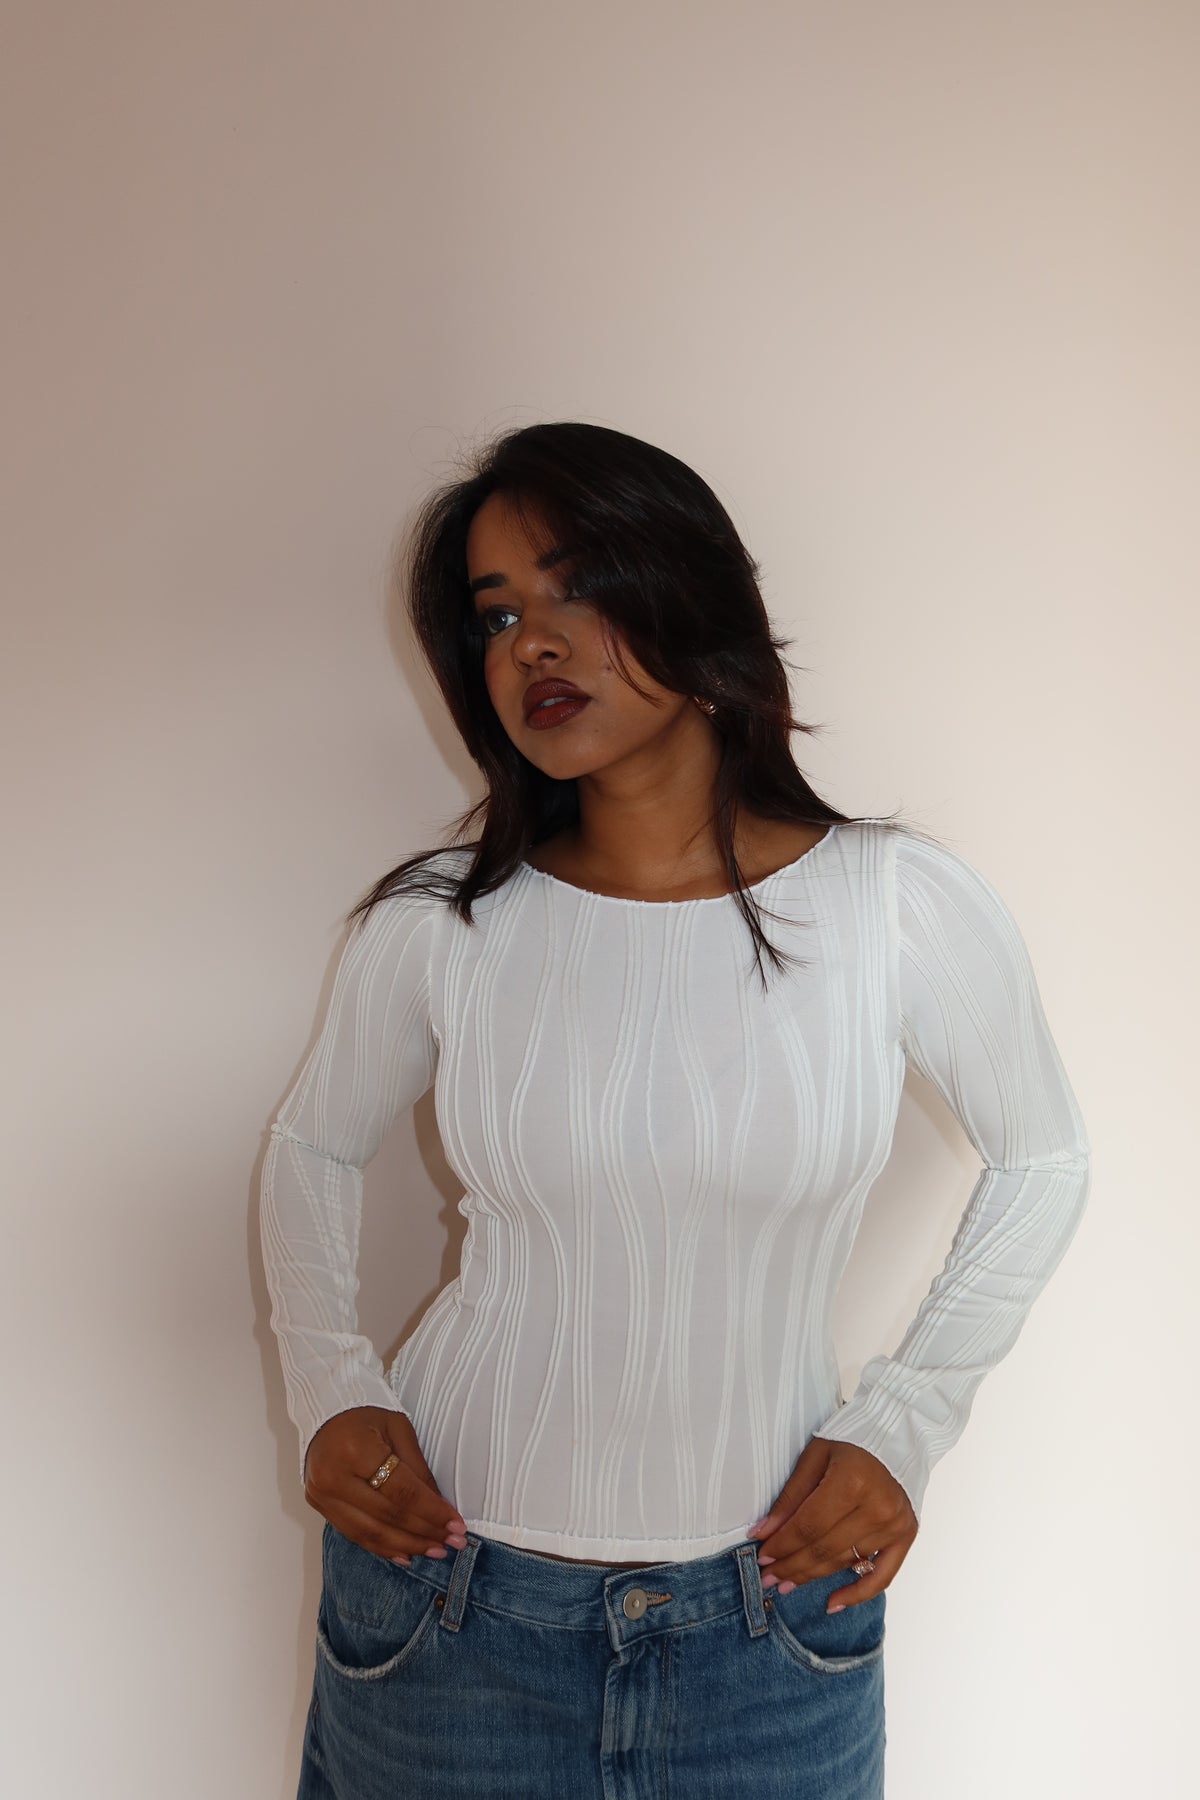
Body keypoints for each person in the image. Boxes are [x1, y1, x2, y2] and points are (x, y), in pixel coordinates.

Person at [260, 421, 1091, 1799]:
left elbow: (1045, 1157)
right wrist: (329, 1390)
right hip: (448, 1615)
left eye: (576, 586)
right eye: (496, 615)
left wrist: (906, 1420)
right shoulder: (440, 924)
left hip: (767, 1630)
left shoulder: (894, 905)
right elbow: (311, 1146)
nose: (532, 643)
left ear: (694, 594)